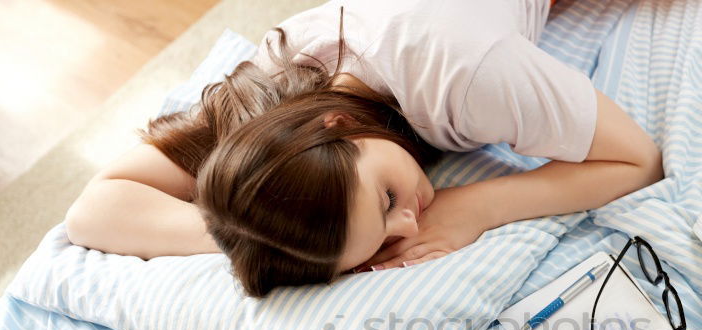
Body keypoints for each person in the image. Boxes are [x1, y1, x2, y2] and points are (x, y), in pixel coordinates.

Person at [64, 0, 663, 298]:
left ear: (339, 123)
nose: (411, 220)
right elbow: (95, 210)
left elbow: (637, 158)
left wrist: (478, 206)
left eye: (388, 198)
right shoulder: (270, 127)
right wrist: (266, 232)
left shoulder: (463, 74)